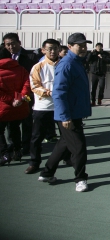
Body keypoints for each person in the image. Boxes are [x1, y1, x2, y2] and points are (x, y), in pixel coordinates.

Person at [38, 33, 92, 193]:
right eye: (79, 45)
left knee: (64, 144)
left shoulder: (76, 62)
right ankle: (80, 179)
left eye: (84, 45)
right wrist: (64, 116)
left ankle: (47, 173)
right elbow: (59, 92)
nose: (83, 48)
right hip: (69, 115)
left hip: (73, 113)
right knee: (79, 147)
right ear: (69, 47)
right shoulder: (67, 64)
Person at [26, 39, 61, 173]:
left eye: (55, 48)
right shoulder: (38, 66)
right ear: (43, 50)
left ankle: (67, 158)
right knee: (37, 137)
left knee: (67, 136)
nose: (52, 51)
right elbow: (34, 86)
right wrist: (50, 92)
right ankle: (34, 162)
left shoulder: (64, 64)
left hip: (61, 106)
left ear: (59, 49)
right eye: (49, 49)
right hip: (43, 106)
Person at [2, 33, 36, 156]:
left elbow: (32, 78)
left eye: (13, 43)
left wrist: (22, 96)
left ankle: (26, 146)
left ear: (19, 42)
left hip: (26, 94)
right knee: (12, 123)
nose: (10, 47)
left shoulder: (31, 56)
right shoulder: (2, 55)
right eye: (8, 44)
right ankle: (14, 146)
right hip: (9, 98)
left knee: (27, 122)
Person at [0, 48, 31, 166]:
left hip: (3, 106)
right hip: (19, 105)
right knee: (15, 128)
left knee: (0, 130)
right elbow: (27, 84)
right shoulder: (21, 69)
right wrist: (20, 98)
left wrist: (10, 100)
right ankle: (17, 151)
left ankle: (4, 153)